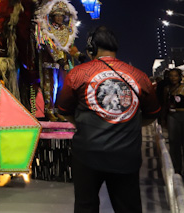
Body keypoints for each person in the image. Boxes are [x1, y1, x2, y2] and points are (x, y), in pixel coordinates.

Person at [56, 26, 160, 213]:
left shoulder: (78, 74)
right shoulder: (139, 76)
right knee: (128, 207)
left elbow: (64, 109)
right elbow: (152, 114)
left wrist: (82, 123)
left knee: (85, 206)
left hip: (87, 155)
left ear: (92, 49)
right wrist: (127, 122)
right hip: (126, 155)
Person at [163, 68, 184, 178]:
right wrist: (163, 119)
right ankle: (177, 169)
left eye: (175, 76)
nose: (173, 78)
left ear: (179, 77)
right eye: (171, 76)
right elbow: (164, 105)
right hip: (172, 116)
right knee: (174, 143)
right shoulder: (166, 89)